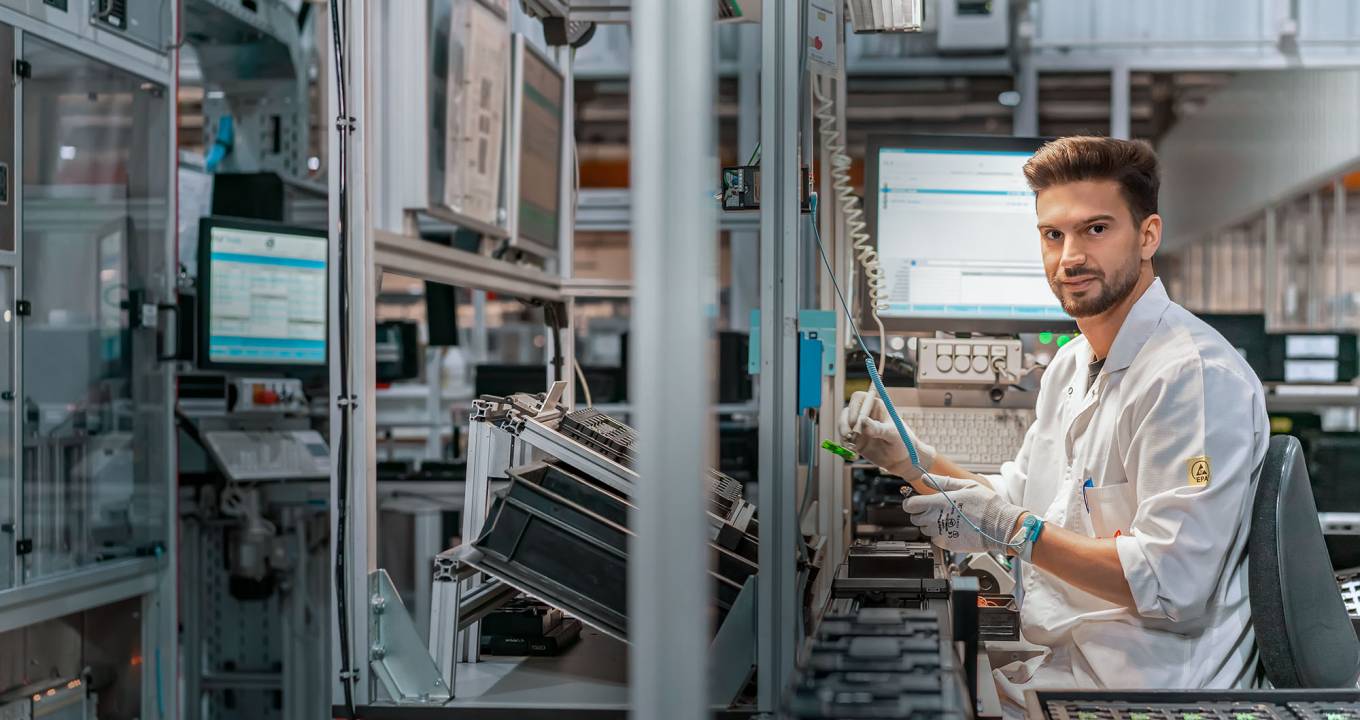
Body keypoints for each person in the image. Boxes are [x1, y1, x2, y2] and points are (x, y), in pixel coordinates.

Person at [839, 136, 1268, 710]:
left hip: (1152, 689)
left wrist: (1015, 528)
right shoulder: (1072, 362)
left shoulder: (1192, 377)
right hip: (1065, 668)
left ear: (1148, 235)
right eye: (1053, 234)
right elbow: (1013, 502)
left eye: (1096, 229)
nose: (1069, 257)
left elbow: (1171, 584)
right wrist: (909, 460)